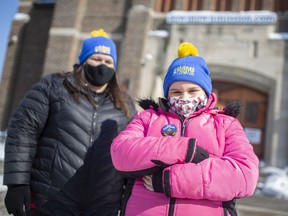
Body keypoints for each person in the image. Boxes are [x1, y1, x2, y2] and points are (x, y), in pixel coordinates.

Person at [110, 42, 259, 216]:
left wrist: (171, 180)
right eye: (176, 92)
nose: (184, 97)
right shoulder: (148, 118)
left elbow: (245, 176)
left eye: (193, 90)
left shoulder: (225, 124)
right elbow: (121, 153)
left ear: (206, 93)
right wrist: (182, 149)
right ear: (167, 94)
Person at [3, 29, 137, 216]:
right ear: (83, 61)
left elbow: (131, 152)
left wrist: (129, 197)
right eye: (96, 59)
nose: (102, 65)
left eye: (108, 61)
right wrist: (17, 182)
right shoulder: (54, 87)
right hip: (52, 199)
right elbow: (23, 130)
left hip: (103, 205)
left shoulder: (125, 104)